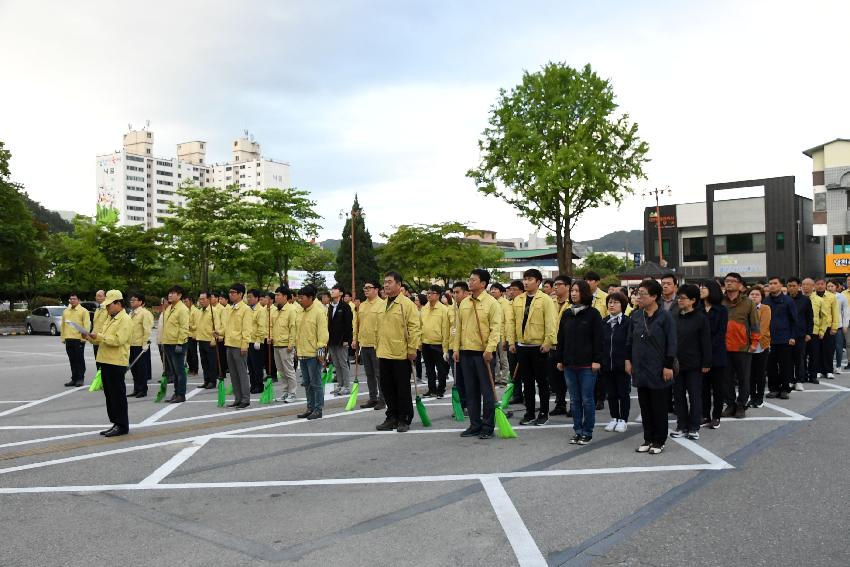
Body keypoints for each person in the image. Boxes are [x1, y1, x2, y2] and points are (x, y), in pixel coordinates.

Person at [627, 279, 676, 455]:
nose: (639, 297)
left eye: (643, 294)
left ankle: (659, 440)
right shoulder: (636, 316)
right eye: (638, 293)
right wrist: (628, 360)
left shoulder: (665, 316)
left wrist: (668, 366)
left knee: (659, 406)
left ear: (654, 296)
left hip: (658, 367)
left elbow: (671, 343)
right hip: (640, 367)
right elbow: (629, 341)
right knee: (645, 406)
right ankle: (648, 439)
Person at [453, 269, 502, 439]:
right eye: (469, 279)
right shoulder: (465, 303)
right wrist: (456, 348)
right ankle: (475, 424)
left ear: (483, 283)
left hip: (483, 354)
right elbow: (458, 327)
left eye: (473, 280)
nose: (470, 282)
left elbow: (496, 328)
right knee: (471, 391)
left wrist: (490, 349)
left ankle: (488, 427)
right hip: (466, 353)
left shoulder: (492, 303)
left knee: (487, 392)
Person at [556, 280, 603, 445]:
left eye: (577, 291)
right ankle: (578, 431)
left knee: (587, 399)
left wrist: (597, 360)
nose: (573, 293)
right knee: (574, 400)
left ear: (584, 293)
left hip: (587, 366)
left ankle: (587, 432)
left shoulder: (593, 314)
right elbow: (561, 338)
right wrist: (560, 359)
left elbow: (599, 339)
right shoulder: (567, 313)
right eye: (572, 291)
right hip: (569, 365)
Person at [376, 272, 421, 432]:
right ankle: (392, 416)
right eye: (385, 282)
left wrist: (412, 349)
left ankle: (404, 418)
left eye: (389, 282)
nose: (386, 285)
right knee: (387, 387)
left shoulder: (406, 305)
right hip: (383, 351)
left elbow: (414, 328)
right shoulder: (381, 304)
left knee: (402, 388)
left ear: (399, 284)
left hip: (401, 352)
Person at [511, 269, 556, 426]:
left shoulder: (545, 300)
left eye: (530, 279)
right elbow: (512, 322)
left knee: (542, 382)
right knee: (527, 382)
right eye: (525, 279)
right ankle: (529, 412)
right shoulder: (518, 300)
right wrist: (512, 342)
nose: (526, 282)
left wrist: (548, 342)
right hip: (522, 346)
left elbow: (551, 322)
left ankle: (544, 412)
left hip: (539, 347)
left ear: (538, 282)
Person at [85, 290, 132, 437]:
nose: (107, 308)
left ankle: (122, 425)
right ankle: (115, 423)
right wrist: (89, 337)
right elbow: (101, 338)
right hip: (105, 360)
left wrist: (99, 336)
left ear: (118, 303)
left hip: (116, 362)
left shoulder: (125, 319)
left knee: (117, 395)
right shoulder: (110, 318)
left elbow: (118, 340)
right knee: (110, 395)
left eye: (109, 305)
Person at [670, 284, 711, 441]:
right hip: (676, 364)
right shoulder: (674, 316)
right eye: (678, 297)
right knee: (678, 397)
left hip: (695, 364)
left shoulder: (701, 318)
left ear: (693, 300)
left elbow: (706, 342)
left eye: (683, 298)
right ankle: (682, 425)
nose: (679, 300)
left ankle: (694, 427)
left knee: (695, 396)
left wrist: (706, 363)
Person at [721, 272, 760, 419]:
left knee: (744, 378)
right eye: (726, 281)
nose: (729, 283)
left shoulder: (748, 303)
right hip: (724, 347)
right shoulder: (720, 301)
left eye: (732, 281)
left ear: (740, 285)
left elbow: (755, 324)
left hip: (743, 347)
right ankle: (730, 404)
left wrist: (755, 342)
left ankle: (741, 405)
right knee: (726, 378)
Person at [294, 285, 329, 420]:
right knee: (307, 383)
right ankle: (310, 407)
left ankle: (318, 409)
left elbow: (323, 334)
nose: (299, 300)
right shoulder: (300, 312)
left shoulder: (318, 312)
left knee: (316, 383)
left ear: (310, 298)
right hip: (302, 353)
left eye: (302, 298)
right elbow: (298, 333)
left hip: (314, 354)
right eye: (299, 298)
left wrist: (320, 352)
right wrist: (297, 349)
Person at [601, 291, 632, 433]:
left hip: (622, 364)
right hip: (607, 364)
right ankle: (614, 417)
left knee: (623, 393)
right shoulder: (604, 322)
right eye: (610, 302)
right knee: (611, 394)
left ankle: (623, 420)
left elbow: (629, 343)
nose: (611, 305)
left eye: (615, 302)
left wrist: (628, 360)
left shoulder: (627, 322)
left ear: (623, 305)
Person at [217, 283, 253, 409]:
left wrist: (245, 344)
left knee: (242, 373)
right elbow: (227, 327)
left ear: (240, 294)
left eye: (233, 292)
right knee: (233, 373)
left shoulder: (246, 309)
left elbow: (247, 329)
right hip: (229, 344)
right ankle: (237, 398)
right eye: (230, 292)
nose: (230, 294)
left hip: (239, 345)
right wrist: (219, 332)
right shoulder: (229, 308)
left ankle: (245, 399)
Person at [762, 277, 798, 401]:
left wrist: (792, 336)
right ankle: (773, 389)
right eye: (770, 283)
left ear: (781, 285)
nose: (772, 285)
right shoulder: (765, 301)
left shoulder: (788, 301)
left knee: (785, 365)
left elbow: (794, 320)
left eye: (775, 283)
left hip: (785, 338)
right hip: (769, 339)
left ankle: (784, 389)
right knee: (770, 365)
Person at [353, 279, 386, 410]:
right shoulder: (362, 305)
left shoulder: (382, 304)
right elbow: (357, 323)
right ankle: (373, 397)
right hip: (364, 344)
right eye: (364, 288)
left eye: (368, 288)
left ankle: (382, 399)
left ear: (376, 290)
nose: (365, 290)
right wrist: (355, 339)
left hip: (377, 345)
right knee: (369, 374)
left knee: (379, 374)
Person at [699, 280, 728, 429]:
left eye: (704, 287)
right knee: (703, 387)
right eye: (700, 287)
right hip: (699, 355)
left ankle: (716, 416)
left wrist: (708, 351)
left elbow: (720, 333)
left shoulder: (721, 310)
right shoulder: (697, 308)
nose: (701, 289)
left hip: (717, 354)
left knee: (717, 387)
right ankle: (704, 415)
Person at [420, 285, 451, 398]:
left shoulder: (443, 309)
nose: (429, 295)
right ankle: (431, 389)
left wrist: (445, 346)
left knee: (441, 368)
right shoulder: (424, 308)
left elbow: (445, 329)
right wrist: (420, 341)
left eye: (431, 293)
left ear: (438, 295)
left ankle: (440, 389)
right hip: (425, 342)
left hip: (438, 343)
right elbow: (420, 325)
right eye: (428, 293)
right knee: (429, 368)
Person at [161, 285, 190, 403]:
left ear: (179, 295)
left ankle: (181, 394)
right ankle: (176, 392)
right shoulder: (169, 308)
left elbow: (184, 327)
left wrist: (180, 343)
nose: (170, 295)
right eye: (169, 293)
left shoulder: (182, 309)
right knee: (173, 371)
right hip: (168, 342)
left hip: (177, 344)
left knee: (179, 371)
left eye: (173, 293)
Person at [746, 285, 771, 408]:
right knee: (749, 373)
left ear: (762, 297)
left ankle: (759, 397)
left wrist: (754, 341)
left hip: (761, 344)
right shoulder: (744, 308)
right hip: (746, 345)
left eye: (757, 294)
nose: (754, 296)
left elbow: (763, 327)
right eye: (752, 294)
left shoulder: (765, 308)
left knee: (760, 373)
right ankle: (752, 397)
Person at [272, 286, 298, 403]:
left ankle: (292, 393)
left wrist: (291, 344)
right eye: (275, 295)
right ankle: (285, 392)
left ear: (285, 297)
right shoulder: (275, 309)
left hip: (286, 345)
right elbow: (274, 327)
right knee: (281, 372)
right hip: (276, 344)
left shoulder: (291, 310)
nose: (276, 297)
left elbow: (293, 328)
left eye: (278, 295)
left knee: (289, 370)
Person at [549, 275, 571, 416]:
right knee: (555, 378)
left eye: (559, 284)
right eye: (554, 284)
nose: (555, 286)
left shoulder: (574, 302)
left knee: (571, 378)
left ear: (568, 286)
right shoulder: (550, 302)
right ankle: (560, 403)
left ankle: (574, 405)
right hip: (553, 345)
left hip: (568, 346)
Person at [787, 277, 813, 391]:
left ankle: (798, 380)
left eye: (794, 286)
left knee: (799, 358)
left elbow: (809, 317)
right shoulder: (785, 299)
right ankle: (789, 380)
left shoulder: (805, 300)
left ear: (799, 286)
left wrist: (809, 332)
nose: (791, 288)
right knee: (787, 359)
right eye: (789, 286)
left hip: (800, 333)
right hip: (786, 333)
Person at [327, 284, 354, 395]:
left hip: (342, 339)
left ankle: (347, 386)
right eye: (332, 289)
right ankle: (340, 385)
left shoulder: (345, 307)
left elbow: (348, 325)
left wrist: (347, 339)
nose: (332, 291)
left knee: (343, 363)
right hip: (332, 339)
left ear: (341, 293)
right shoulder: (331, 306)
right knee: (336, 364)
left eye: (335, 290)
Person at [127, 292, 154, 397]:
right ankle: (136, 388)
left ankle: (143, 390)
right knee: (133, 368)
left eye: (134, 299)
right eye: (131, 299)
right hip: (131, 344)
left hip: (140, 346)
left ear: (140, 302)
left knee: (141, 369)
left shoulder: (145, 313)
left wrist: (145, 344)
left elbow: (147, 330)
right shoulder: (131, 313)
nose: (131, 301)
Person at [489, 283, 515, 386]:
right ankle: (496, 377)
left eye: (495, 289)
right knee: (494, 358)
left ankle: (504, 378)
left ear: (501, 292)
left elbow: (508, 320)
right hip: (492, 334)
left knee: (503, 357)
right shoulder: (490, 302)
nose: (493, 291)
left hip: (502, 334)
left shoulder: (505, 303)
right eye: (492, 289)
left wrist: (506, 336)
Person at [60, 293, 89, 387]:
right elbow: (63, 325)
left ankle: (80, 378)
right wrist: (63, 337)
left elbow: (86, 325)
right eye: (71, 299)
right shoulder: (66, 311)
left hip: (78, 339)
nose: (72, 300)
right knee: (72, 360)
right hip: (69, 338)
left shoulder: (83, 311)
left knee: (79, 359)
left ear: (78, 300)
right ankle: (74, 378)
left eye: (74, 299)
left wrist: (84, 338)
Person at [814, 278, 840, 379]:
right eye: (818, 284)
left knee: (828, 349)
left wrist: (835, 327)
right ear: (815, 286)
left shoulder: (831, 297)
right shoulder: (812, 296)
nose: (820, 286)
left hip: (828, 327)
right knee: (817, 350)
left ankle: (829, 370)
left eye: (822, 284)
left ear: (825, 285)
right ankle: (819, 370)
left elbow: (835, 312)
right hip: (815, 327)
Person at [195, 291, 222, 390]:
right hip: (201, 339)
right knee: (204, 362)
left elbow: (217, 326)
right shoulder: (200, 311)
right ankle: (206, 380)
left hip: (209, 340)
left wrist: (214, 339)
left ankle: (212, 381)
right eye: (200, 299)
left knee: (211, 362)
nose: (201, 301)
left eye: (203, 299)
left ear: (209, 299)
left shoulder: (213, 311)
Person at [451, 281, 471, 411]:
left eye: (457, 292)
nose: (454, 295)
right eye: (453, 292)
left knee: (469, 380)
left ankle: (470, 405)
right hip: (454, 347)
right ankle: (462, 405)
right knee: (458, 380)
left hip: (467, 347)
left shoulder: (470, 306)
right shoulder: (451, 308)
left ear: (466, 293)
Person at [246, 289, 268, 394]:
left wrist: (259, 340)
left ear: (257, 298)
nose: (248, 299)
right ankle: (253, 384)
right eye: (248, 297)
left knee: (257, 366)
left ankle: (259, 385)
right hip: (248, 341)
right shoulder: (248, 309)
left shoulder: (261, 310)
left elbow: (262, 327)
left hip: (256, 342)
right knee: (250, 366)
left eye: (250, 297)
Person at [802, 277, 824, 384]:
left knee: (814, 355)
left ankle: (813, 375)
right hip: (801, 332)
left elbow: (824, 317)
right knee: (802, 355)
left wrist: (822, 331)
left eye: (808, 284)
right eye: (804, 284)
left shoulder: (819, 300)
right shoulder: (798, 299)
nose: (806, 286)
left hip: (814, 332)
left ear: (813, 286)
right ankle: (803, 375)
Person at [828, 279, 849, 372]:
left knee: (838, 347)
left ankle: (838, 366)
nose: (830, 288)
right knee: (828, 348)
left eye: (832, 286)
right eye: (828, 286)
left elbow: (845, 312)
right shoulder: (823, 297)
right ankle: (828, 367)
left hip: (839, 326)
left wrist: (845, 325)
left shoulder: (842, 297)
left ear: (836, 287)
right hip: (827, 326)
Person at [183, 295, 200, 376]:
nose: (185, 303)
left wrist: (189, 326)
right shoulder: (186, 310)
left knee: (193, 353)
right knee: (188, 353)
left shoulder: (195, 311)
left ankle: (195, 369)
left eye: (186, 301)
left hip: (192, 335)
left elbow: (197, 324)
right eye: (184, 301)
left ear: (191, 302)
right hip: (186, 334)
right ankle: (190, 368)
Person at [91, 290, 107, 369]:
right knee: (98, 362)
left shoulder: (107, 308)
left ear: (105, 297)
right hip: (95, 339)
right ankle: (99, 380)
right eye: (97, 296)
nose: (98, 298)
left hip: (103, 339)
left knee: (103, 364)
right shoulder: (98, 309)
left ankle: (104, 380)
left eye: (100, 296)